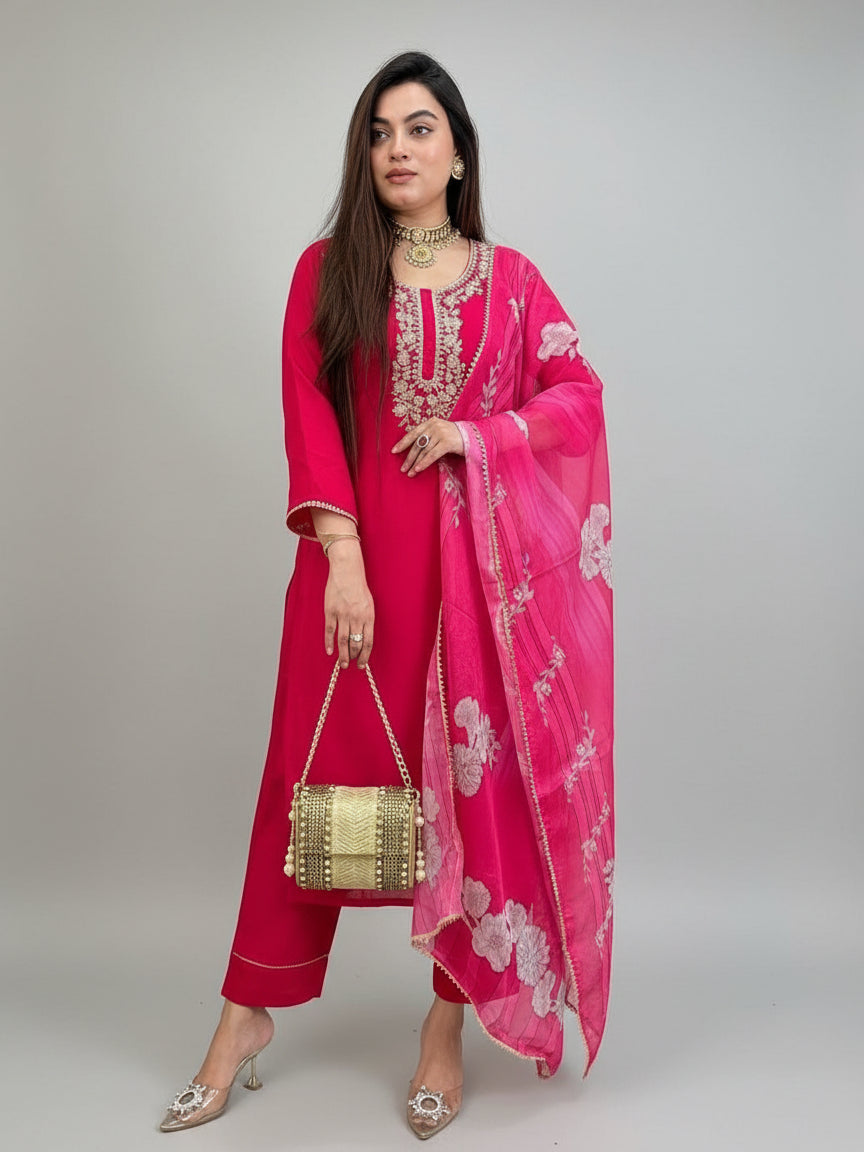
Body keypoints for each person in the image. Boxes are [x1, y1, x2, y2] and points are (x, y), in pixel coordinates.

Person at [159, 50, 614, 1140]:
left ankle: (442, 1030)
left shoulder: (512, 285)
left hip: (470, 593)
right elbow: (308, 423)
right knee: (305, 792)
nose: (396, 150)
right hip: (349, 574)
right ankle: (242, 1019)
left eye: (418, 130)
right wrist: (343, 563)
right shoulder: (329, 273)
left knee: (468, 795)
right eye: (378, 133)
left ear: (457, 153)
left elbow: (577, 398)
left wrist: (475, 433)